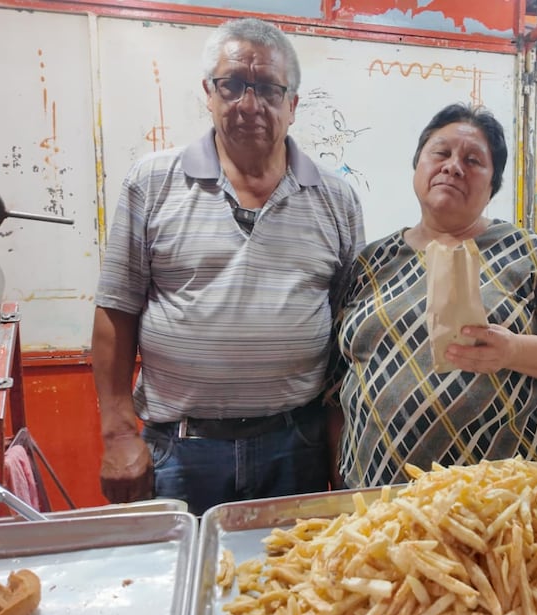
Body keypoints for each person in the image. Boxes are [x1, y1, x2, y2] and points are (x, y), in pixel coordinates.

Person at [92, 17, 365, 514]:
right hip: (180, 449)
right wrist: (116, 433)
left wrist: (339, 443)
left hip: (295, 448)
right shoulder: (151, 183)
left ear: (292, 104)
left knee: (292, 586)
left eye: (267, 89)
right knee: (182, 587)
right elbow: (116, 311)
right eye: (232, 85)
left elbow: (347, 334)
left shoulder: (337, 199)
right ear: (209, 94)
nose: (248, 104)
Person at [329, 103, 537, 489]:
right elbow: (336, 385)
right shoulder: (372, 262)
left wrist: (512, 351)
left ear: (492, 185)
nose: (453, 166)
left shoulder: (525, 252)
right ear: (418, 166)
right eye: (440, 153)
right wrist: (337, 484)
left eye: (473, 160)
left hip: (496, 505)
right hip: (376, 501)